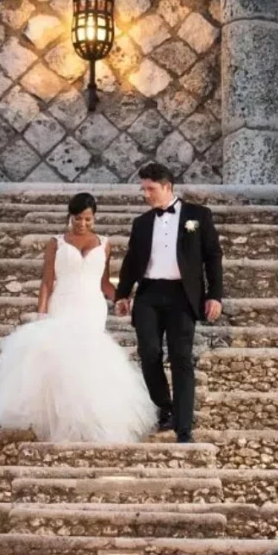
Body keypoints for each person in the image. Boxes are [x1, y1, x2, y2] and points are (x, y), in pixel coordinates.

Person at [0, 192, 159, 444]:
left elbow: (103, 282)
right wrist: (42, 314)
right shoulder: (55, 243)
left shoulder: (104, 243)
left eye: (88, 219)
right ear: (70, 216)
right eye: (78, 219)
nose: (83, 224)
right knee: (60, 358)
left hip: (92, 307)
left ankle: (91, 420)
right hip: (64, 303)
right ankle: (57, 420)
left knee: (89, 360)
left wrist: (120, 298)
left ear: (94, 218)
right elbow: (47, 282)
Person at [112, 161, 223, 442]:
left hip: (182, 295)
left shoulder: (198, 215)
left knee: (181, 358)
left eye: (150, 189)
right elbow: (132, 260)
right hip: (149, 293)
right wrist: (122, 293)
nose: (145, 194)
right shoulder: (142, 223)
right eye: (143, 189)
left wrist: (214, 295)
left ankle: (184, 427)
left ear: (167, 187)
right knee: (149, 353)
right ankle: (165, 407)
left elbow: (213, 257)